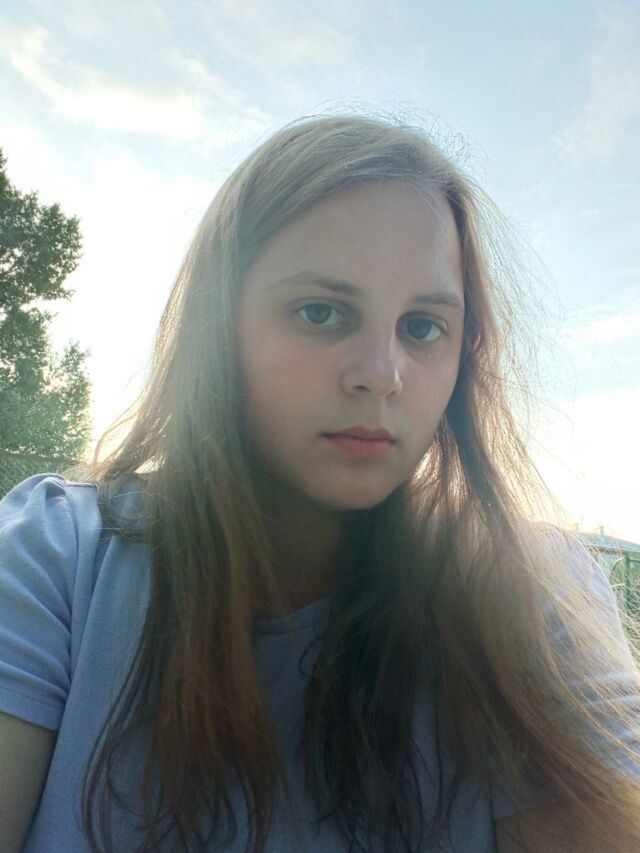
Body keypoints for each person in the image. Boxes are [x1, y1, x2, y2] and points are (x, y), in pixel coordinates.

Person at [0, 114, 639, 853]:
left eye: (423, 327)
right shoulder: (60, 560)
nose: (381, 373)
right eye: (320, 312)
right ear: (219, 326)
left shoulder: (527, 590)